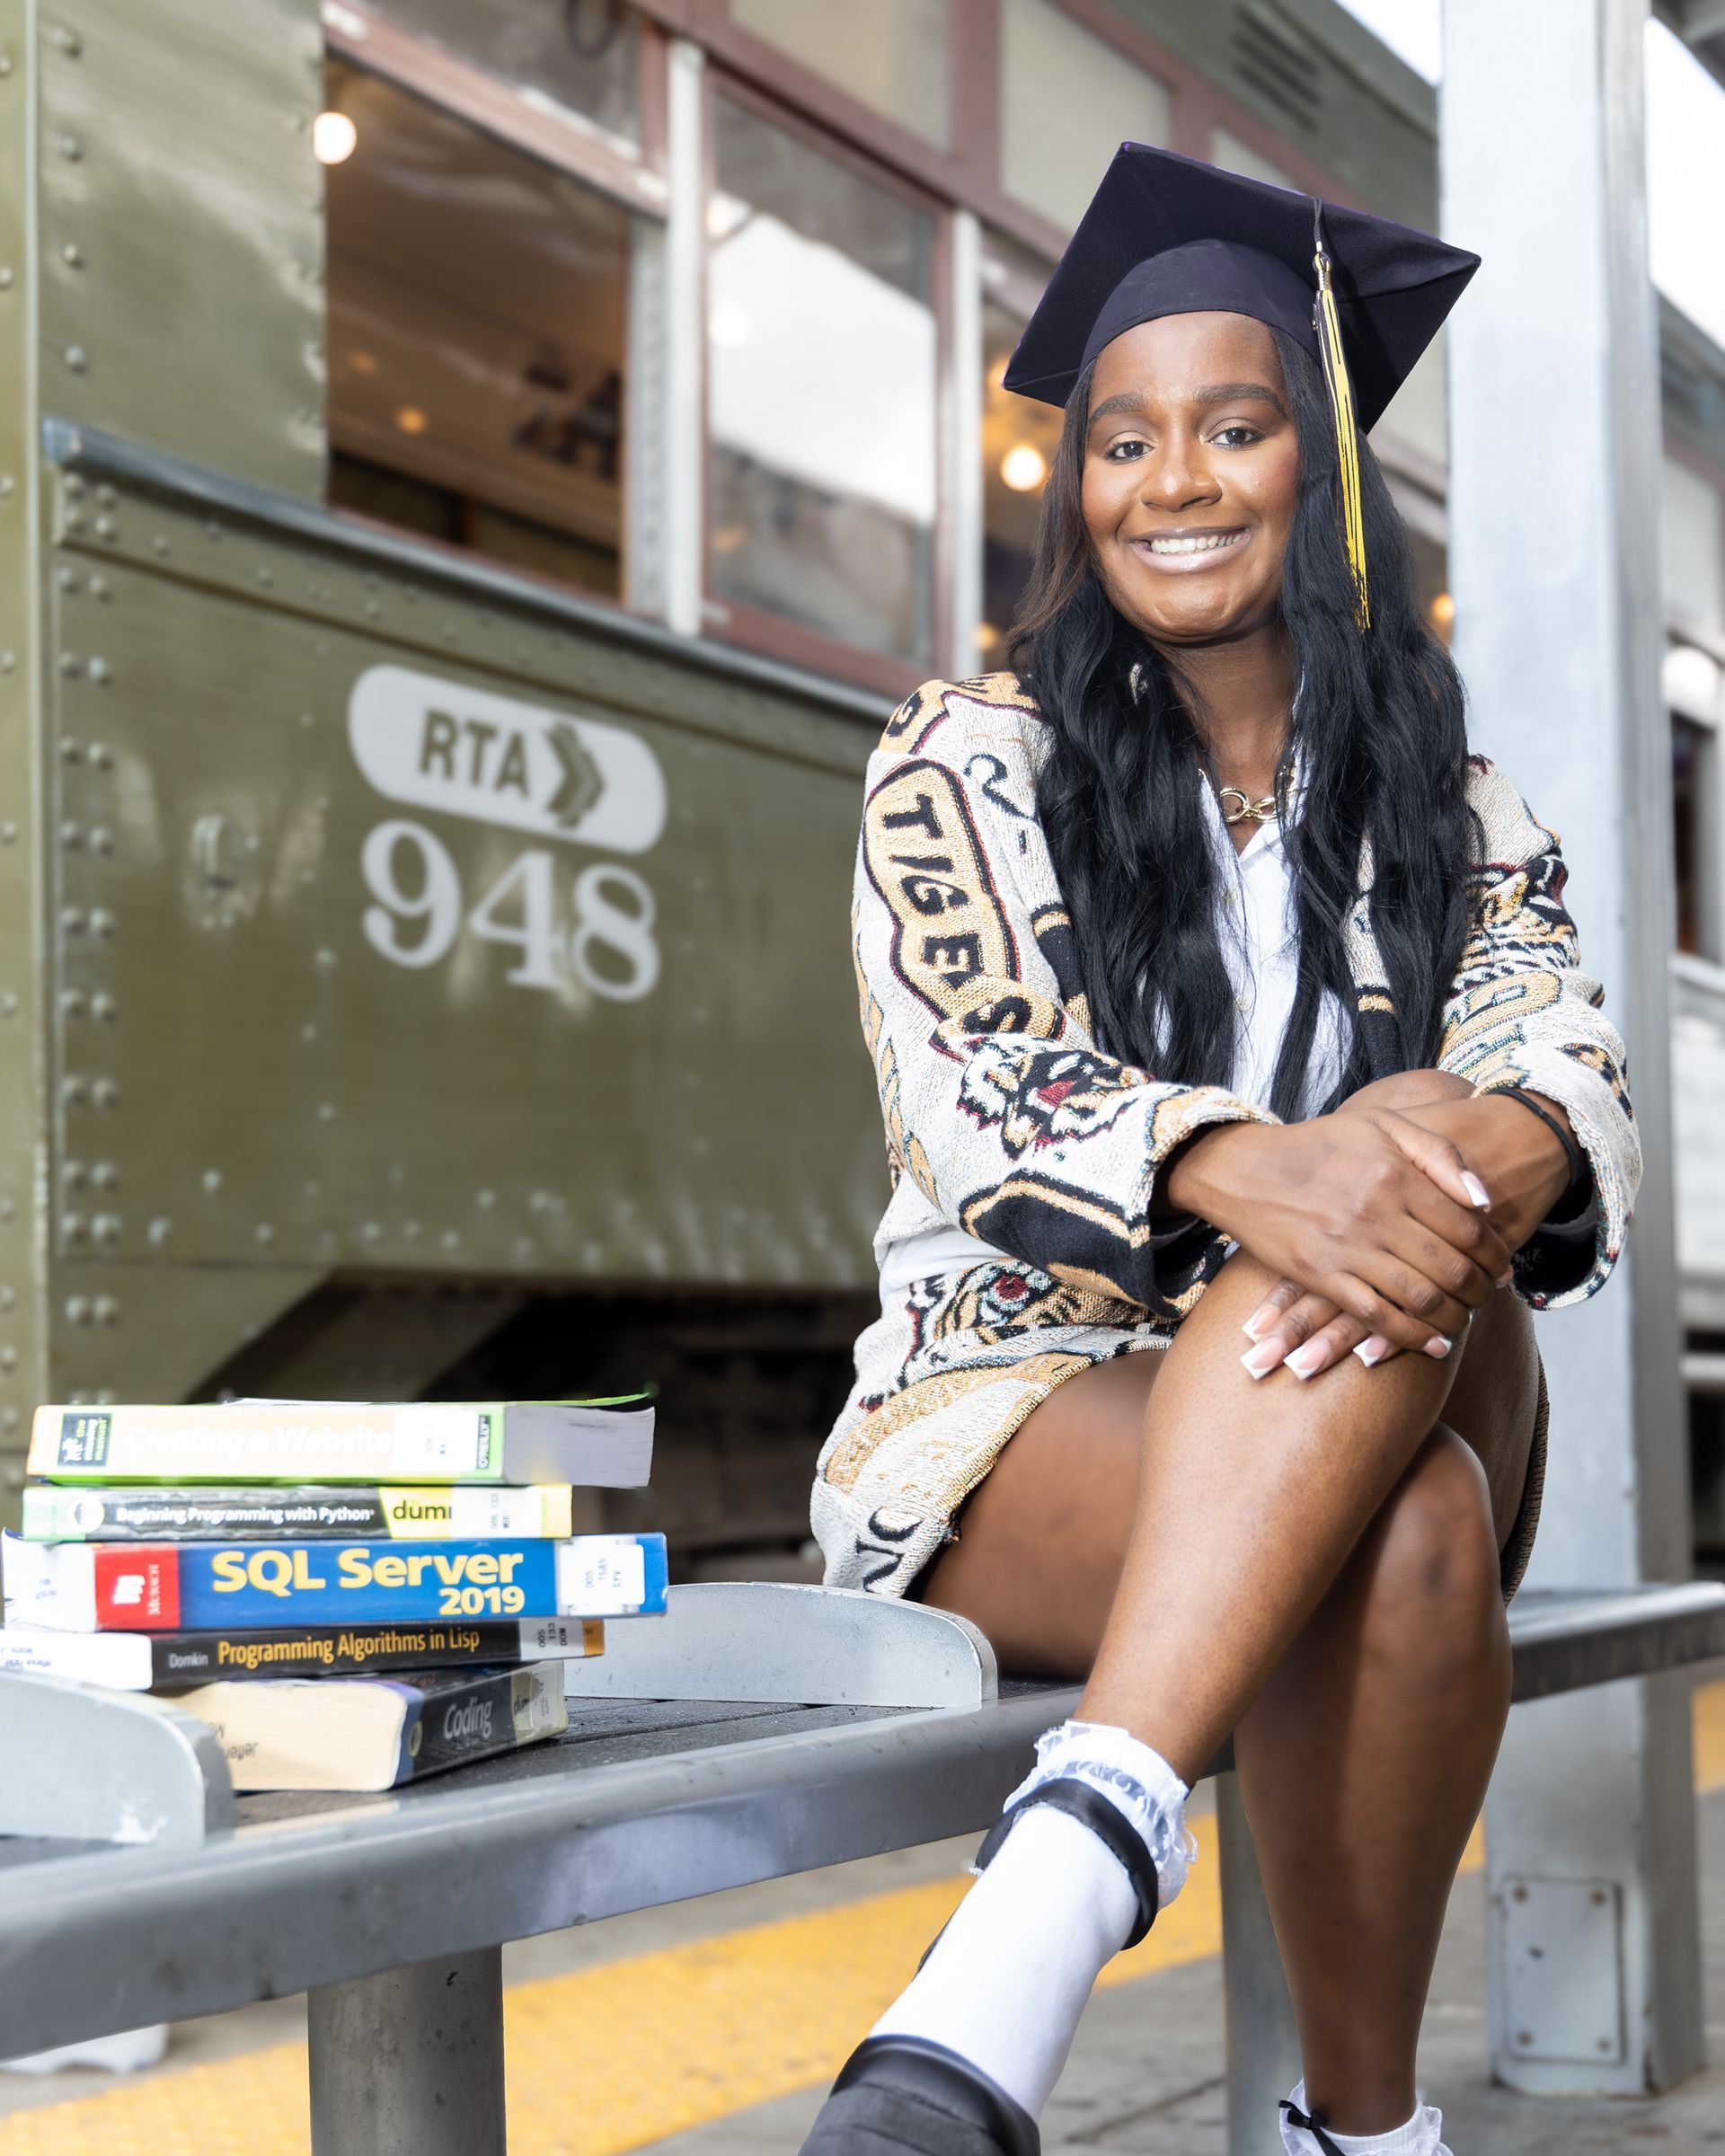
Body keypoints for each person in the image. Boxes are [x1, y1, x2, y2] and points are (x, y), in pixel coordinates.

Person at [802, 144, 1638, 2156]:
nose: (1171, 480)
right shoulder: (966, 764)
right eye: (1122, 440)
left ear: (1318, 468)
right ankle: (1362, 2132)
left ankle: (1048, 1900)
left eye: (1236, 427)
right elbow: (968, 1084)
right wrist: (1241, 1170)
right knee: (1415, 1526)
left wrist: (1401, 1155)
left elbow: (1567, 1079)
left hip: (1390, 1342)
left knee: (1416, 1148)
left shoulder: (1457, 809)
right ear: (1076, 489)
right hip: (1009, 1423)